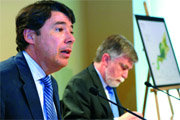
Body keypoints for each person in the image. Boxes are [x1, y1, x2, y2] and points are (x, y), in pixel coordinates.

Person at [0, 0, 75, 119]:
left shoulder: (50, 84)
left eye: (71, 31)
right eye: (59, 29)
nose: (71, 39)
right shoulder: (3, 79)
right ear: (30, 36)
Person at [62, 34, 143, 119]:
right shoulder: (79, 84)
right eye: (123, 67)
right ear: (106, 59)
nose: (125, 75)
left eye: (128, 70)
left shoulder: (110, 82)